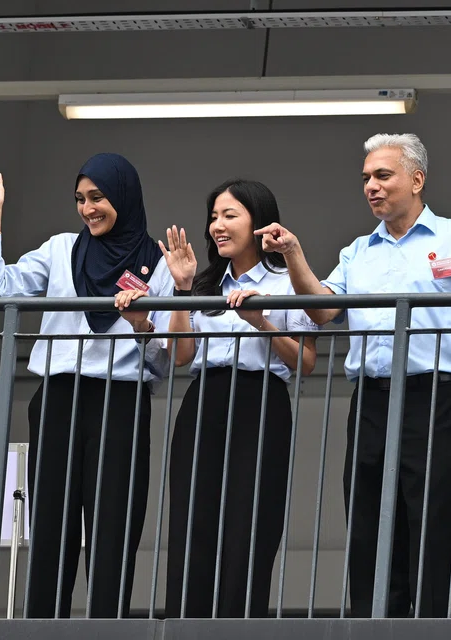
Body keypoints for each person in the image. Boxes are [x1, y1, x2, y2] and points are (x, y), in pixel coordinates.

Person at [252, 133, 451, 618]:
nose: (371, 186)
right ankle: (373, 626)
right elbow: (323, 312)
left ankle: (433, 628)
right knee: (367, 519)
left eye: (382, 175)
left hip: (433, 393)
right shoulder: (358, 251)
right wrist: (294, 254)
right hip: (370, 396)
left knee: (428, 515)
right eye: (365, 178)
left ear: (416, 178)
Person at [0, 153, 174, 618]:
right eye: (80, 199)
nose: (88, 208)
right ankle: (41, 627)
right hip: (57, 399)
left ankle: (106, 629)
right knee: (51, 522)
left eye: (98, 197)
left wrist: (141, 326)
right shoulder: (59, 249)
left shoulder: (161, 265)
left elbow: (162, 363)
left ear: (125, 197)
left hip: (121, 401)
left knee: (113, 525)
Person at [116, 179, 319, 618]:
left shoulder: (286, 281)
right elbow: (183, 355)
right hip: (204, 399)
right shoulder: (203, 282)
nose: (217, 226)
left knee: (251, 524)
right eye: (213, 217)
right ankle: (186, 625)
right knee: (193, 521)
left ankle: (238, 626)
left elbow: (305, 362)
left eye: (230, 215)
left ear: (258, 221)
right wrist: (183, 291)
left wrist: (261, 322)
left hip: (261, 401)